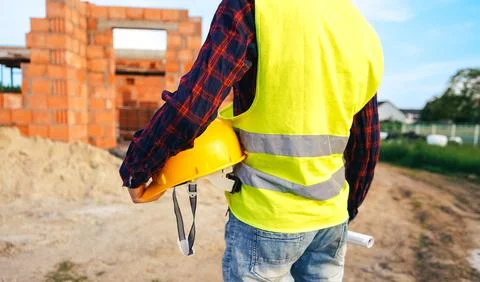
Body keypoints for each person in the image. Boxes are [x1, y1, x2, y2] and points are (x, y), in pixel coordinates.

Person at [120, 0, 383, 281]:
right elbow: (366, 143)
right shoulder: (359, 28)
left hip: (266, 218)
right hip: (331, 221)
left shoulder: (252, 5)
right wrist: (346, 210)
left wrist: (139, 167)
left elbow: (193, 107)